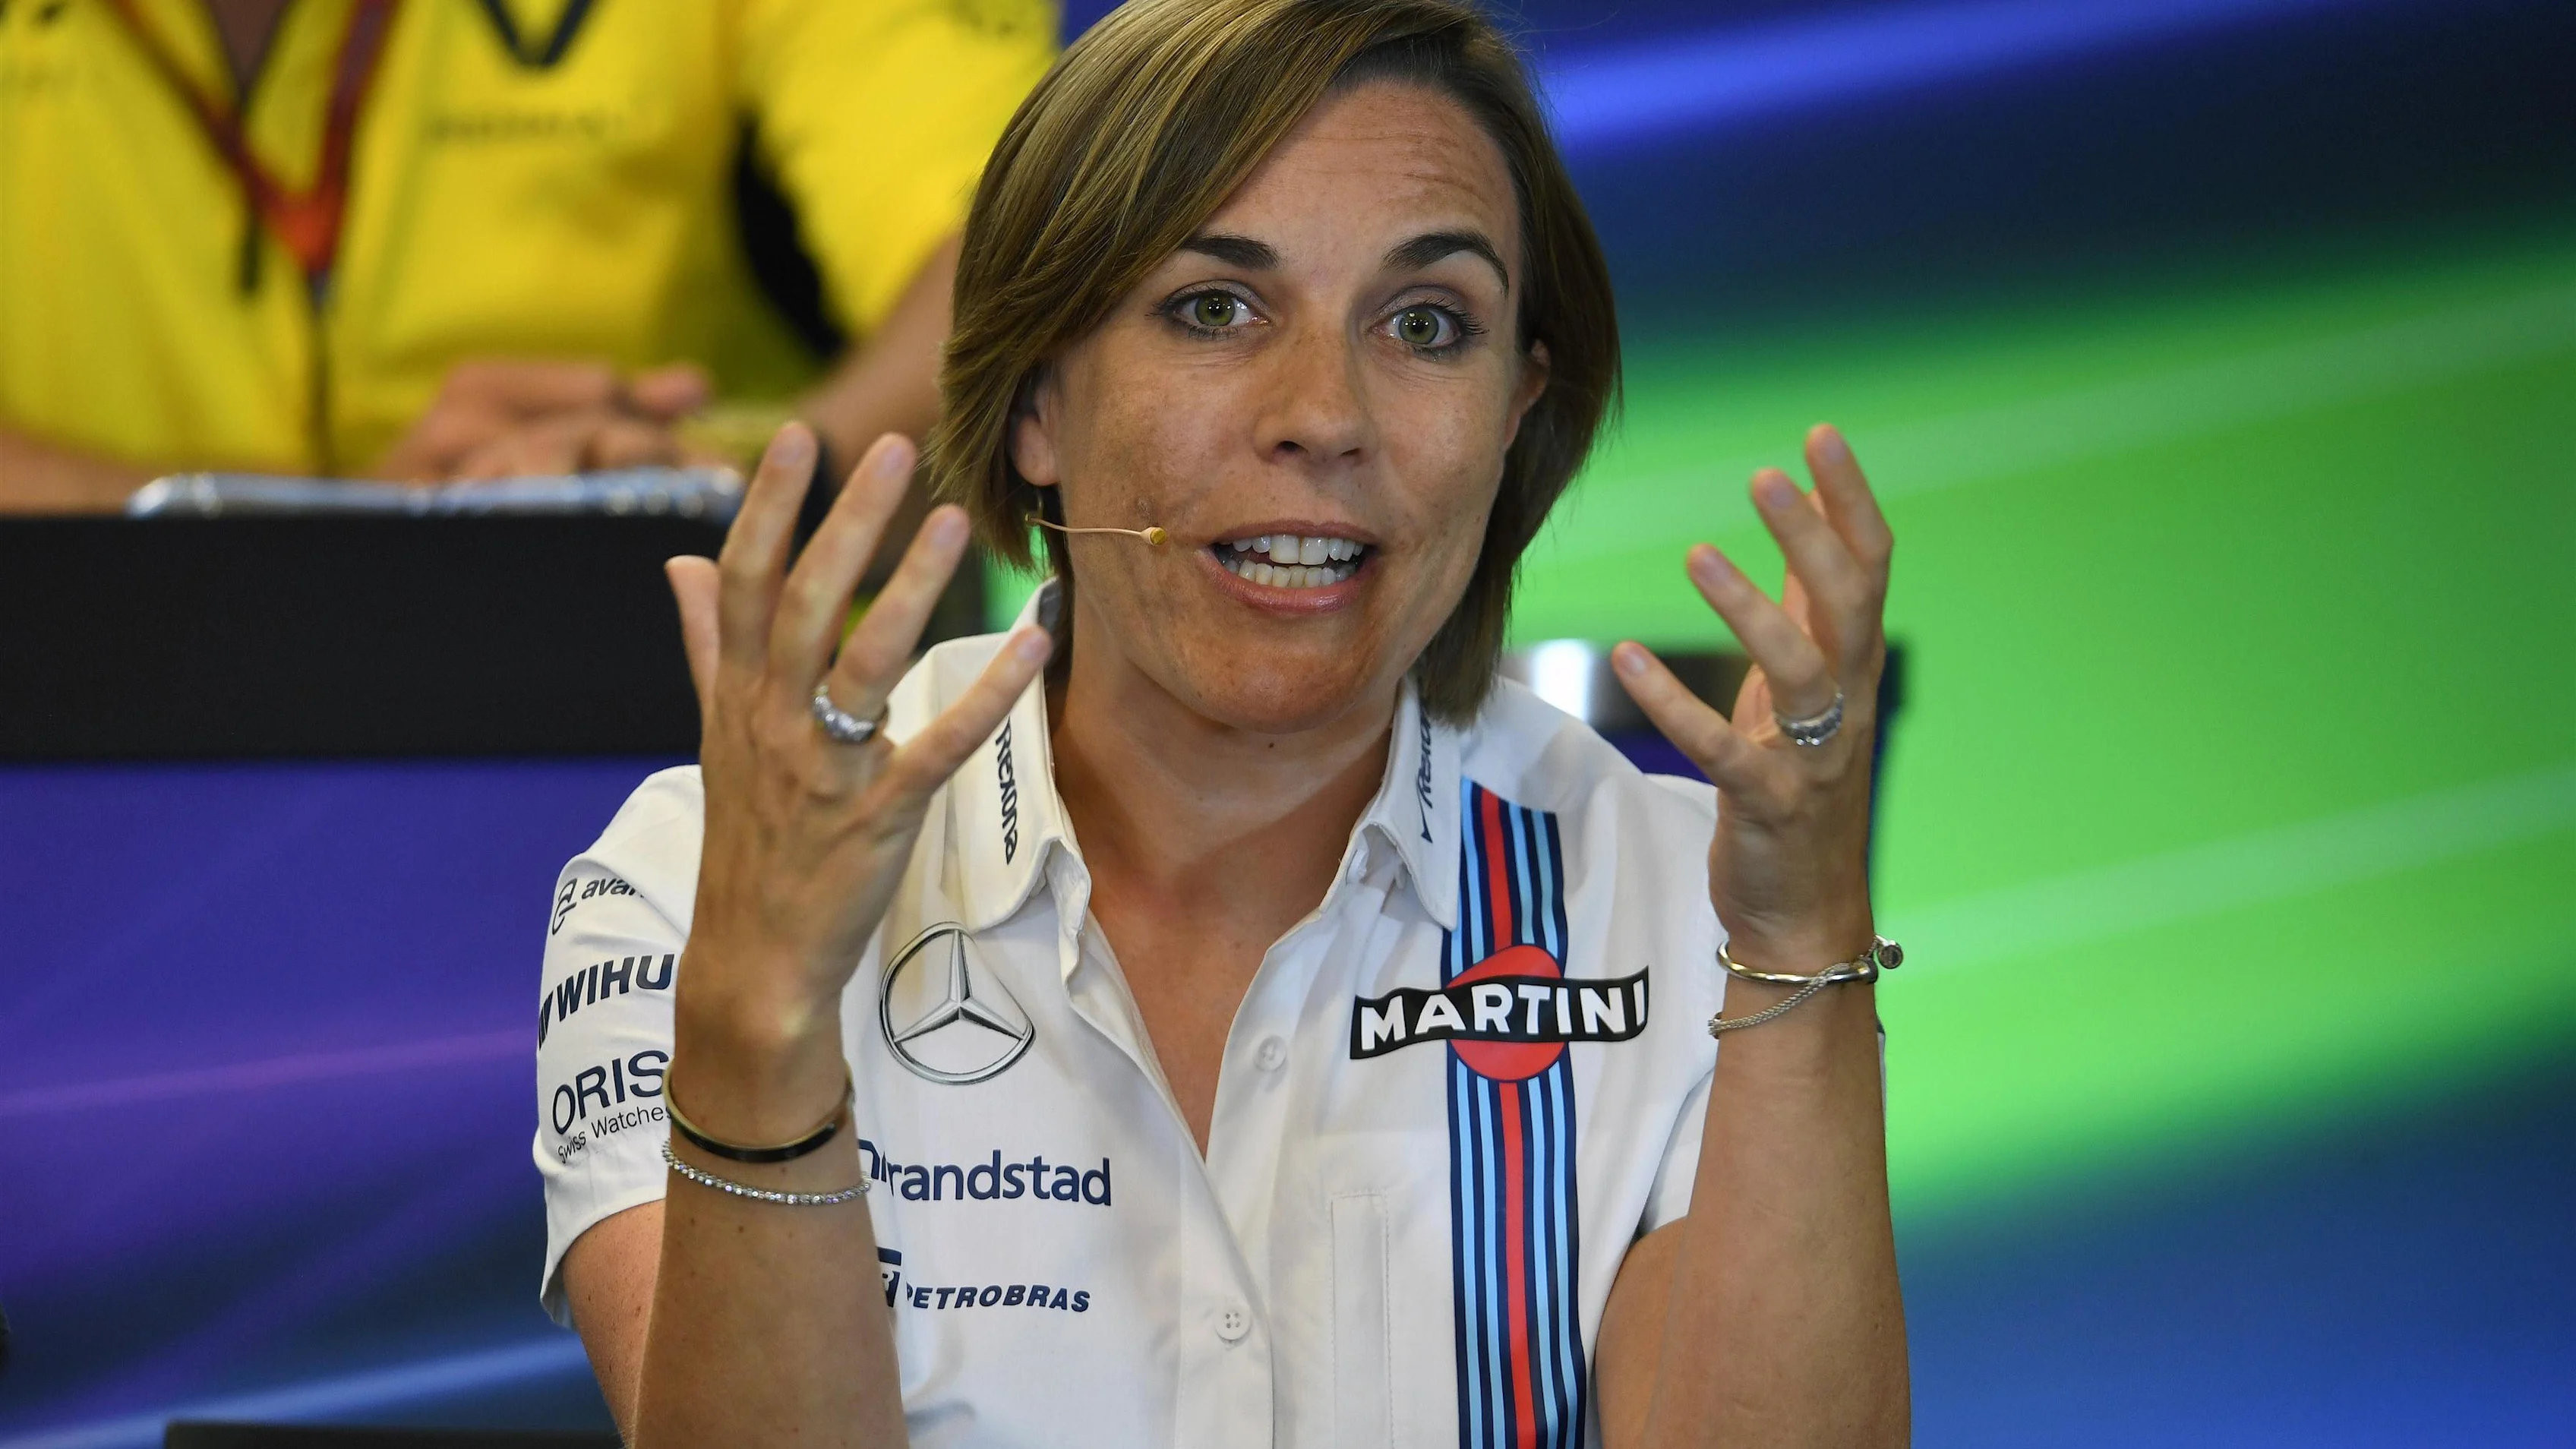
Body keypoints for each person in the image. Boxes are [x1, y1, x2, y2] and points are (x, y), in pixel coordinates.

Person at [534, 0, 1909, 1443]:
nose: (1324, 413)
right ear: (1034, 405)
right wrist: (762, 1016)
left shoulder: (1690, 910)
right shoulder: (691, 888)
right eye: (1214, 308)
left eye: (1427, 324)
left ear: (1516, 417)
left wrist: (1800, 957)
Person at [0, 0, 1055, 511]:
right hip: (70, 711)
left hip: (653, 686)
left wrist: (757, 484)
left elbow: (1033, 241)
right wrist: (336, 545)